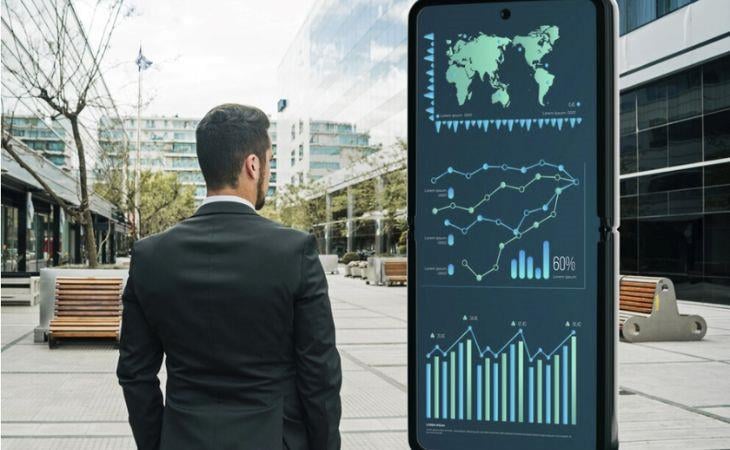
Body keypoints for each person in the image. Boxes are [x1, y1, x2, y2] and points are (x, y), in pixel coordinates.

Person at [116, 103, 342, 450]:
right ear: (253, 165)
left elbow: (135, 373)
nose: (269, 171)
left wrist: (157, 443)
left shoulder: (149, 256)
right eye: (270, 162)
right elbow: (320, 375)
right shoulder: (294, 251)